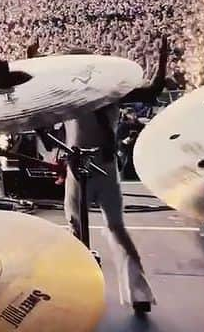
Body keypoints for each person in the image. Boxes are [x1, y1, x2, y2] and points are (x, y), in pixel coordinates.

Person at [58, 38, 168, 314]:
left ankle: (83, 289)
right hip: (91, 166)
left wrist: (162, 60)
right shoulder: (93, 92)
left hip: (93, 165)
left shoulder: (98, 93)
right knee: (103, 228)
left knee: (82, 229)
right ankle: (136, 293)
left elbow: (152, 90)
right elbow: (152, 90)